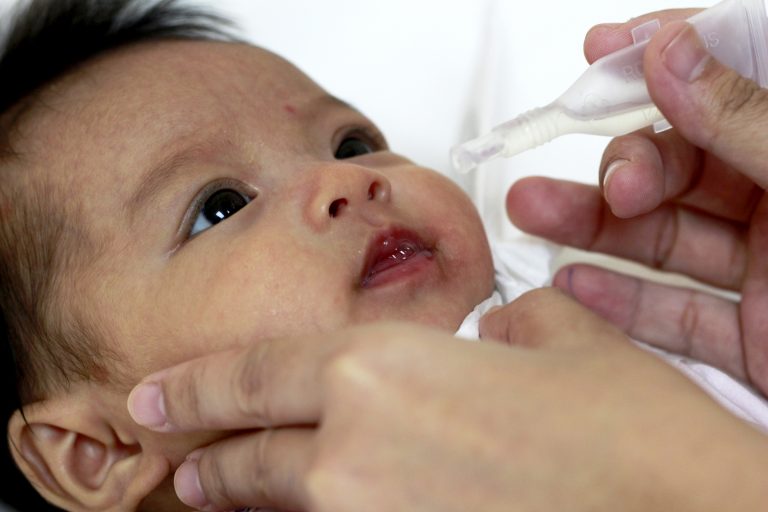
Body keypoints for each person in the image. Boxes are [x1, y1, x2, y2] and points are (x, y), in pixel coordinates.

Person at [123, 7, 768, 512]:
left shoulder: (564, 296)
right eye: (222, 207)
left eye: (351, 144)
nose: (343, 181)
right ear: (96, 452)